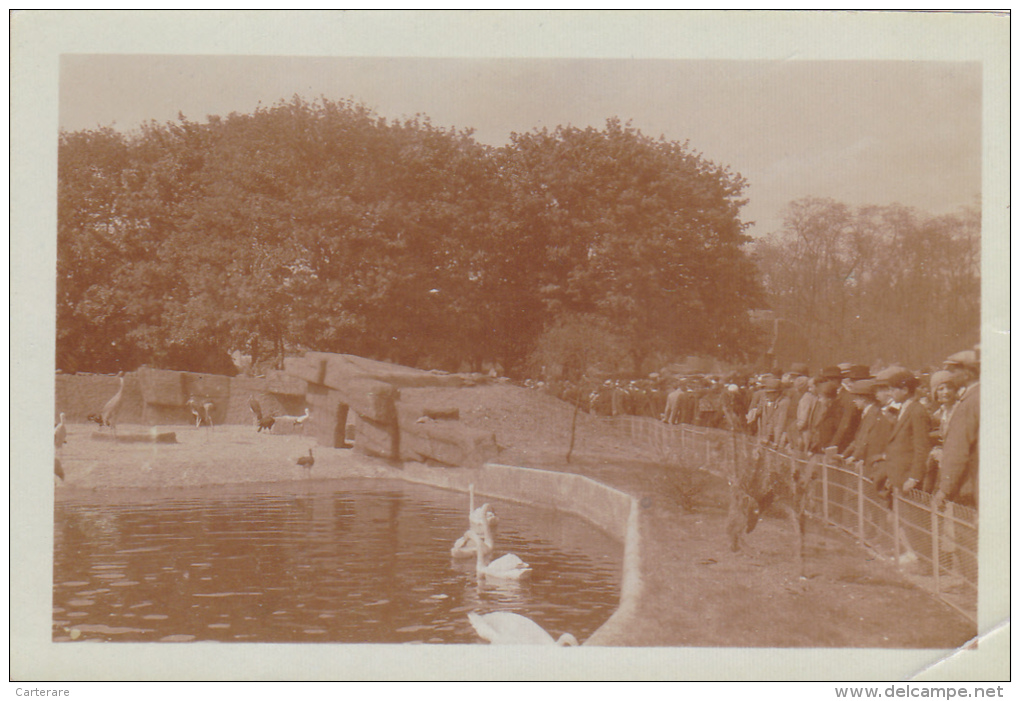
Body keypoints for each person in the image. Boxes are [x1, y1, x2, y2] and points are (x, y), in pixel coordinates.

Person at [870, 368, 931, 502]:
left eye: (892, 390)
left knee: (907, 517)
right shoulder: (904, 409)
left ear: (904, 390)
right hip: (897, 476)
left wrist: (914, 478)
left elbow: (921, 448)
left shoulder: (917, 411)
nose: (890, 394)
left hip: (907, 479)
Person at [936, 350, 980, 508]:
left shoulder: (969, 402)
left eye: (953, 371)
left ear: (967, 372)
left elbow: (958, 449)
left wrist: (944, 489)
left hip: (971, 483)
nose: (950, 375)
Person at [922, 369, 959, 492]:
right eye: (941, 389)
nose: (946, 392)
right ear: (935, 393)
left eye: (949, 388)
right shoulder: (940, 413)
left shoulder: (959, 410)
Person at [807, 366, 844, 453]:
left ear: (829, 399)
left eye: (821, 397)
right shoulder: (827, 410)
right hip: (821, 448)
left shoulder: (836, 412)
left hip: (828, 450)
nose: (819, 400)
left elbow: (836, 433)